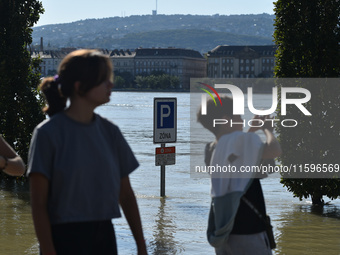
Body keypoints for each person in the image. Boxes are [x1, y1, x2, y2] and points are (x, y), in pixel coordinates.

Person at [27, 49, 147, 255]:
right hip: (63, 239)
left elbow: (126, 195)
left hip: (105, 238)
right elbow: (38, 203)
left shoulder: (111, 132)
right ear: (80, 87)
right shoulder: (48, 134)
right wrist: (47, 249)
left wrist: (141, 246)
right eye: (103, 80)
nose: (111, 85)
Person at [197, 96, 281, 255]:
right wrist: (267, 129)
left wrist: (251, 131)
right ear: (226, 120)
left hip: (223, 230)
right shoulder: (243, 141)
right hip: (250, 232)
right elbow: (274, 150)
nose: (243, 119)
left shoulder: (211, 149)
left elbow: (238, 156)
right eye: (238, 116)